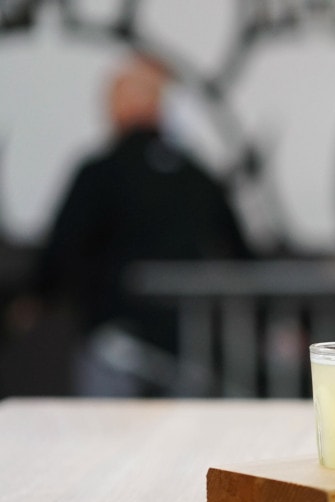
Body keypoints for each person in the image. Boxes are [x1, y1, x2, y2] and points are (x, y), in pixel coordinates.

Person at [34, 53, 252, 395]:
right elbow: (240, 253)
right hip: (189, 348)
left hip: (116, 344)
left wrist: (35, 299)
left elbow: (59, 254)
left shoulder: (100, 173)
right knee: (185, 442)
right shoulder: (196, 175)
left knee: (109, 442)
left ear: (118, 106)